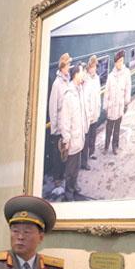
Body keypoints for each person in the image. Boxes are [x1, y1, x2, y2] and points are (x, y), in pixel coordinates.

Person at [60, 63, 87, 199]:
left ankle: (74, 185)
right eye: (82, 72)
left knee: (76, 166)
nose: (84, 75)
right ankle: (68, 192)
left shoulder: (79, 90)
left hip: (79, 136)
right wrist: (66, 139)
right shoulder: (69, 94)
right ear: (76, 74)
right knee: (70, 168)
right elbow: (65, 120)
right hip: (72, 139)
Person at [47, 53, 71, 194]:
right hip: (59, 127)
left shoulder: (67, 81)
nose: (69, 67)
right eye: (68, 65)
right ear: (62, 67)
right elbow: (53, 107)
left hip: (65, 124)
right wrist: (55, 128)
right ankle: (57, 179)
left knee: (64, 153)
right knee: (57, 154)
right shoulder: (57, 84)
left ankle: (62, 175)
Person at [103, 50, 131, 155]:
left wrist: (126, 103)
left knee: (117, 128)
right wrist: (105, 106)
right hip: (111, 107)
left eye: (122, 61)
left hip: (120, 106)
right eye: (118, 61)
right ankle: (106, 146)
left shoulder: (126, 73)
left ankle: (115, 146)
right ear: (115, 63)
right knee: (109, 128)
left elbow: (128, 89)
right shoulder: (111, 76)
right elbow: (106, 92)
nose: (120, 63)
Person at [81, 55, 101, 170]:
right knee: (86, 138)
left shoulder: (97, 78)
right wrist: (88, 114)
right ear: (89, 68)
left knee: (93, 135)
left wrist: (98, 109)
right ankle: (84, 162)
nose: (93, 69)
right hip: (88, 115)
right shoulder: (86, 80)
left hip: (95, 112)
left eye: (95, 67)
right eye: (92, 67)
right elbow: (85, 99)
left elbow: (98, 94)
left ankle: (91, 153)